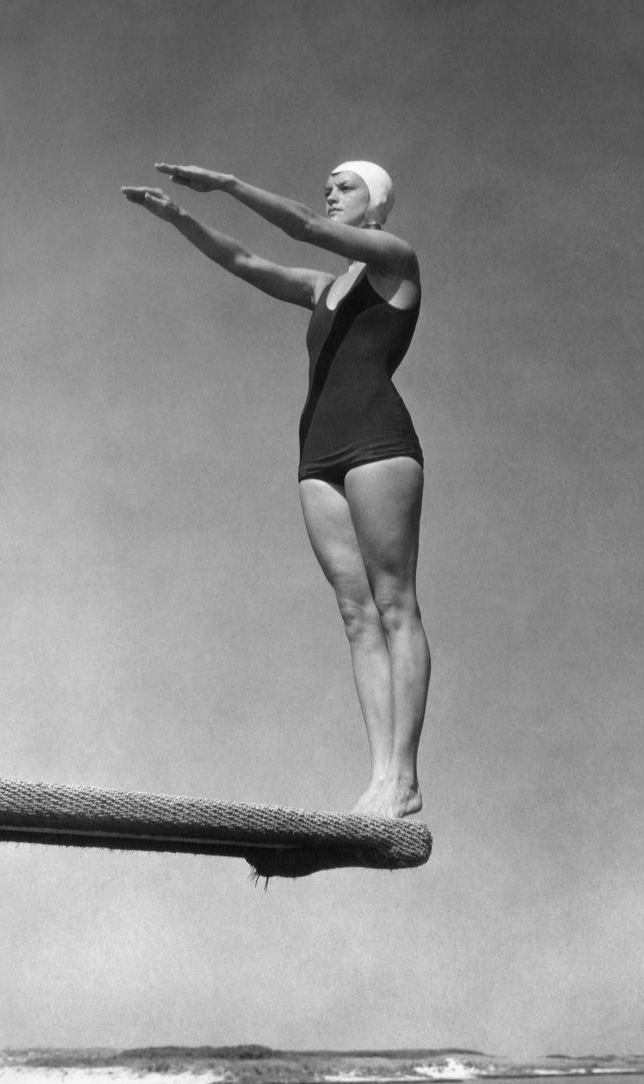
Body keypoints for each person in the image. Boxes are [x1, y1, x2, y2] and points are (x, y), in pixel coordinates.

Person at [121, 160, 428, 819]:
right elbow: (240, 260)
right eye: (329, 182)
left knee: (394, 602)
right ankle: (377, 776)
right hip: (317, 454)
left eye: (345, 185)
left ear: (376, 207)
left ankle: (403, 775)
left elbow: (305, 226)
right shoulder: (324, 289)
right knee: (355, 615)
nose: (330, 191)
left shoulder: (396, 263)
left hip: (379, 444)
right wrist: (180, 218)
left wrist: (229, 184)